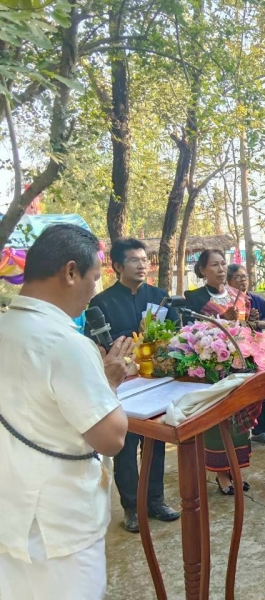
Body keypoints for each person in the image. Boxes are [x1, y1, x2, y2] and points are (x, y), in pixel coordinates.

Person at [0, 223, 130, 599]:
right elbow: (111, 438)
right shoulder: (65, 343)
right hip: (60, 524)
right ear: (71, 272)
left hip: (11, 510)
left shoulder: (6, 328)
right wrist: (109, 384)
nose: (93, 291)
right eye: (94, 278)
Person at [88, 238, 181, 533]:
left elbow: (177, 333)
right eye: (133, 260)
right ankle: (131, 507)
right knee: (125, 447)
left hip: (155, 381)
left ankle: (155, 500)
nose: (142, 265)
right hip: (122, 384)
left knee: (155, 442)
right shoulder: (102, 303)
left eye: (144, 259)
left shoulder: (160, 297)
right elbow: (95, 344)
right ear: (117, 266)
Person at [185, 249, 256, 495]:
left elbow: (248, 327)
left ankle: (237, 469)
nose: (221, 269)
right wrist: (220, 319)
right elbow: (190, 332)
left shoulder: (238, 295)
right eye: (214, 264)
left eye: (223, 264)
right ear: (202, 269)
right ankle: (221, 474)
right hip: (212, 369)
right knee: (218, 422)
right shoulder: (194, 298)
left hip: (240, 364)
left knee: (239, 421)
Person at [227, 264, 265, 445]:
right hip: (233, 353)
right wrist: (246, 323)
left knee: (260, 389)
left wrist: (253, 324)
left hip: (257, 352)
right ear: (229, 281)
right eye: (238, 277)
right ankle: (239, 434)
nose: (243, 280)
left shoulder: (256, 300)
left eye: (244, 276)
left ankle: (260, 430)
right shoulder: (226, 301)